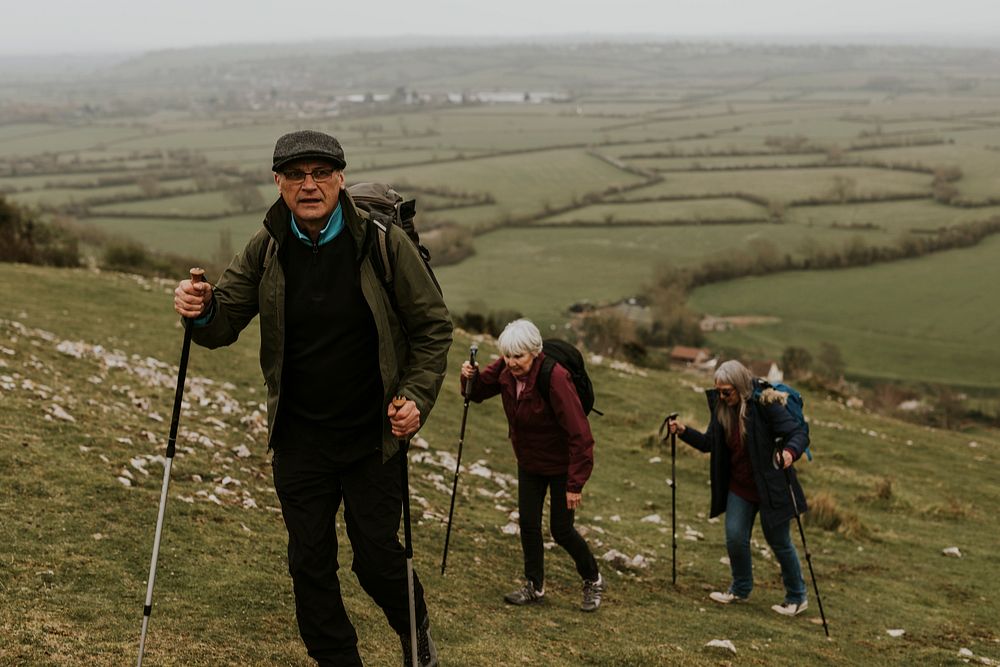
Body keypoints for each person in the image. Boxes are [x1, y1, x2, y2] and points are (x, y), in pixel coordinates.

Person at [173, 129, 452, 667]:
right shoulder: (268, 245)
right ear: (278, 183)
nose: (309, 184)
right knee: (309, 562)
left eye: (321, 173)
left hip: (374, 436)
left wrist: (416, 396)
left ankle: (414, 629)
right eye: (296, 175)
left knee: (375, 559)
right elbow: (223, 319)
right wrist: (200, 306)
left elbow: (433, 326)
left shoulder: (381, 243)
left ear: (340, 179)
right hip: (300, 437)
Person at [460, 319, 604, 612]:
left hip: (562, 465)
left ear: (534, 352)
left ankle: (593, 579)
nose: (512, 363)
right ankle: (534, 586)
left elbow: (581, 434)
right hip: (529, 461)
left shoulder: (555, 377)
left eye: (518, 357)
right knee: (528, 524)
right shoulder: (504, 368)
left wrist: (575, 483)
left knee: (561, 531)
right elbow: (475, 392)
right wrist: (468, 377)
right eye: (508, 356)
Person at [667, 359, 809, 616]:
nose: (721, 397)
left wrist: (789, 453)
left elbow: (797, 434)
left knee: (779, 541)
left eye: (726, 392)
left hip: (771, 487)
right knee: (735, 537)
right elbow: (710, 442)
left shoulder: (766, 405)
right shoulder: (722, 410)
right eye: (718, 391)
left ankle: (797, 597)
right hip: (740, 487)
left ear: (741, 387)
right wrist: (684, 431)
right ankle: (740, 588)